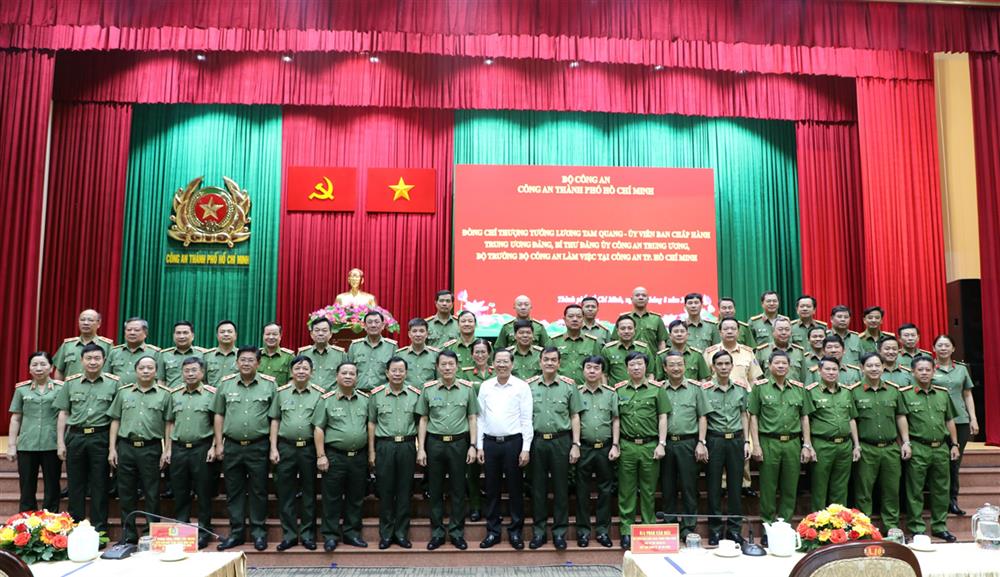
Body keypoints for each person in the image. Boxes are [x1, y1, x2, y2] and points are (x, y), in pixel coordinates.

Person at [213, 346, 277, 551]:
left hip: (258, 446)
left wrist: (273, 447)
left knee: (259, 490)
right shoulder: (225, 384)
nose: (246, 363)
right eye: (243, 360)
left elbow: (274, 417)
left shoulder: (269, 385)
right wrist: (218, 443)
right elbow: (218, 415)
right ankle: (237, 533)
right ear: (237, 362)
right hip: (232, 445)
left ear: (258, 363)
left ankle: (259, 532)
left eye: (251, 360)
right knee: (234, 491)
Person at [416, 350, 479, 550]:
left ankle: (456, 532)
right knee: (435, 490)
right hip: (434, 444)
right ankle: (437, 533)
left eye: (451, 364)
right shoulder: (429, 389)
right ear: (437, 367)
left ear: (457, 366)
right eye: (443, 364)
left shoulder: (467, 389)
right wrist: (421, 449)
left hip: (459, 444)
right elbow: (423, 419)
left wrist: (472, 445)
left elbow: (472, 418)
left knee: (458, 489)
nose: (447, 368)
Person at [54, 343, 117, 535]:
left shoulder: (114, 383)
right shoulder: (70, 383)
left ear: (104, 361)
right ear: (81, 360)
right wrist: (60, 442)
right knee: (75, 483)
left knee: (100, 483)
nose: (93, 362)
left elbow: (117, 417)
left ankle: (99, 529)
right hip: (76, 436)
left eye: (97, 358)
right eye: (88, 358)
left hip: (101, 437)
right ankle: (75, 527)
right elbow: (63, 413)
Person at [107, 355, 171, 544]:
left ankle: (152, 533)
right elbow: (115, 420)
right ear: (136, 371)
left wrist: (167, 449)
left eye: (149, 368)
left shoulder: (164, 394)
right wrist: (112, 448)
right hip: (126, 447)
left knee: (151, 493)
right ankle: (129, 533)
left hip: (151, 448)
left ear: (155, 371)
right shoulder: (124, 393)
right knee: (126, 492)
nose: (145, 371)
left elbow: (169, 423)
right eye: (142, 368)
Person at [749, 350, 814, 532]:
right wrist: (756, 444)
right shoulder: (760, 388)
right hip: (769, 441)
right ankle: (767, 527)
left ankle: (784, 526)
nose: (780, 366)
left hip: (793, 443)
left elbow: (804, 418)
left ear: (789, 366)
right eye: (777, 363)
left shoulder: (798, 389)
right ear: (769, 366)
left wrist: (806, 444)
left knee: (790, 487)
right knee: (768, 487)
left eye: (784, 363)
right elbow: (753, 416)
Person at [476, 348, 532, 550]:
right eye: (498, 361)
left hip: (513, 443)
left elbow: (526, 419)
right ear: (493, 364)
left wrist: (525, 448)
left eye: (505, 361)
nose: (501, 365)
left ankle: (516, 532)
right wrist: (479, 446)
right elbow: (480, 418)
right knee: (491, 489)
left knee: (516, 489)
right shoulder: (485, 386)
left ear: (512, 364)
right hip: (490, 443)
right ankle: (493, 532)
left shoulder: (521, 386)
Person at [527, 347, 582, 550]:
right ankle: (539, 532)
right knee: (538, 489)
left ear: (559, 363)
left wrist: (575, 444)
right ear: (540, 362)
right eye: (546, 360)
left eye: (553, 360)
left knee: (561, 489)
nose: (549, 363)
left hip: (561, 441)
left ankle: (559, 533)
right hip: (537, 441)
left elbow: (575, 415)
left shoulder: (569, 386)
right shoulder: (529, 386)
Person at [269, 355, 325, 551]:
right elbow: (275, 420)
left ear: (312, 372)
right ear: (291, 372)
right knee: (286, 493)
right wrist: (274, 447)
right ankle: (290, 535)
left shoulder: (319, 394)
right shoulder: (281, 393)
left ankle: (308, 535)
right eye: (297, 368)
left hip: (309, 448)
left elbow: (320, 426)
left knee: (309, 493)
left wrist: (320, 454)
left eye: (305, 368)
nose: (301, 372)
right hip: (286, 447)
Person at [615, 351, 670, 550]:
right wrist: (616, 444)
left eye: (639, 364)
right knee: (626, 491)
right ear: (626, 367)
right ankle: (626, 531)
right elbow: (617, 419)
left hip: (650, 446)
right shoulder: (619, 390)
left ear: (646, 366)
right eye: (632, 365)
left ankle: (648, 529)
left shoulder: (657, 390)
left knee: (648, 490)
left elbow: (663, 417)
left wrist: (661, 443)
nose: (636, 368)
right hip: (627, 446)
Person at [313, 362, 370, 552]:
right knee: (332, 497)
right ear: (337, 376)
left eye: (351, 373)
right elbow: (319, 428)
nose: (348, 376)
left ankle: (352, 533)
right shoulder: (326, 400)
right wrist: (321, 455)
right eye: (344, 373)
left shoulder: (365, 400)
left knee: (356, 497)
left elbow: (370, 427)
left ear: (356, 377)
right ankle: (330, 535)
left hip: (359, 457)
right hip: (335, 456)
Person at [851, 352, 910, 532]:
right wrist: (856, 446)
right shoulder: (853, 391)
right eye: (869, 365)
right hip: (866, 448)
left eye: (877, 365)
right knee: (864, 492)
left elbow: (900, 416)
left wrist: (906, 442)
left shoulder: (893, 390)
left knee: (891, 490)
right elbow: (852, 419)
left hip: (891, 448)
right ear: (862, 368)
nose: (874, 369)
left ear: (883, 367)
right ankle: (863, 528)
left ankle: (891, 527)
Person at [904, 355, 960, 542]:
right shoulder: (905, 394)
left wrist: (954, 444)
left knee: (941, 489)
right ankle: (917, 527)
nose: (925, 373)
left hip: (941, 448)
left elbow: (949, 420)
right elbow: (900, 421)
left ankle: (939, 526)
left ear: (934, 371)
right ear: (913, 372)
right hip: (918, 447)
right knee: (915, 490)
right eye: (920, 369)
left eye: (928, 369)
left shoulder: (942, 394)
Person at [367, 357, 422, 550]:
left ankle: (401, 533)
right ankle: (386, 534)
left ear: (406, 373)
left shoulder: (415, 394)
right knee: (386, 490)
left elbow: (419, 423)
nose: (397, 374)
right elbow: (371, 423)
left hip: (407, 446)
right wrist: (372, 451)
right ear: (387, 373)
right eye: (394, 370)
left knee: (405, 490)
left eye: (401, 370)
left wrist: (419, 448)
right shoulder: (376, 395)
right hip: (385, 446)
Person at [165, 357, 217, 549]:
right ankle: (182, 528)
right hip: (178, 448)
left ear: (202, 373)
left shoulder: (212, 394)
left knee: (203, 492)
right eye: (186, 370)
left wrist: (214, 446)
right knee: (180, 491)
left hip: (202, 448)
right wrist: (167, 448)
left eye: (194, 370)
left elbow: (217, 423)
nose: (190, 374)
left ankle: (204, 530)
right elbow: (169, 422)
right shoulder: (174, 394)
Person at [701, 350, 751, 545]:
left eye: (726, 364)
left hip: (736, 440)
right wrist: (702, 442)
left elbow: (744, 415)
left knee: (735, 487)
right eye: (719, 364)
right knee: (713, 487)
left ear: (732, 366)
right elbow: (703, 417)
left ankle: (734, 529)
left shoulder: (740, 388)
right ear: (713, 367)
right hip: (715, 440)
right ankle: (714, 530)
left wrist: (747, 441)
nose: (723, 367)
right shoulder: (705, 389)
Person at [659, 351, 708, 542]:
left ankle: (688, 527)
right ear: (664, 368)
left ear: (685, 365)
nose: (676, 368)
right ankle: (670, 525)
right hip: (667, 443)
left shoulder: (696, 388)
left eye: (679, 364)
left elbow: (702, 416)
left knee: (689, 486)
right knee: (667, 486)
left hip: (689, 442)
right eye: (671, 365)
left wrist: (701, 442)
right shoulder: (659, 389)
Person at [7, 352, 62, 513]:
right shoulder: (22, 390)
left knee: (52, 485)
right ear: (29, 368)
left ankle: (51, 521)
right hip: (26, 444)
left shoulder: (61, 388)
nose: (39, 368)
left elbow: (64, 416)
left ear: (51, 368)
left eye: (43, 364)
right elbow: (15, 418)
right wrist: (11, 445)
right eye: (35, 365)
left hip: (51, 443)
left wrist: (61, 443)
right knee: (26, 486)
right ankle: (27, 523)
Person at [931, 334, 979, 516]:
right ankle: (937, 501)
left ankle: (952, 500)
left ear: (953, 349)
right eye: (940, 345)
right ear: (933, 348)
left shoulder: (961, 369)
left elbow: (967, 394)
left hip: (960, 421)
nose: (943, 348)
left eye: (947, 345)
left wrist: (973, 418)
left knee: (954, 463)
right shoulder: (928, 368)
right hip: (937, 421)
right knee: (939, 463)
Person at [574, 356, 619, 548]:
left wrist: (616, 445)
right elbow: (573, 418)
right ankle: (583, 532)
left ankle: (602, 532)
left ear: (602, 372)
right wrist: (575, 444)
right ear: (583, 370)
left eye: (596, 368)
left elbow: (616, 419)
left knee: (605, 491)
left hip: (605, 448)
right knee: (582, 492)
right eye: (589, 367)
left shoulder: (610, 394)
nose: (592, 371)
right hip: (583, 447)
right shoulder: (575, 392)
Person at [806, 356, 860, 512]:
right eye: (827, 369)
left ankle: (837, 524)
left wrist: (856, 445)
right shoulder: (811, 392)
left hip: (844, 445)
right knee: (819, 487)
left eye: (834, 369)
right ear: (820, 371)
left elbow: (851, 419)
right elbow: (806, 420)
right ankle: (818, 524)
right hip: (822, 444)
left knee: (840, 487)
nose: (831, 372)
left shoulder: (846, 392)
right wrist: (808, 445)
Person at [460, 338, 492, 521]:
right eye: (476, 352)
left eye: (483, 351)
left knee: (491, 471)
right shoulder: (463, 374)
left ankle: (490, 507)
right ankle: (475, 507)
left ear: (489, 354)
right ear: (471, 354)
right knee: (472, 471)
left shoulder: (497, 373)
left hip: (492, 427)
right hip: (470, 426)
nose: (480, 355)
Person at [53, 309, 113, 380]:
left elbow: (113, 371)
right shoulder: (68, 345)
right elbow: (59, 370)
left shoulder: (107, 345)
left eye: (90, 320)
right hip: (71, 389)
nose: (86, 323)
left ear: (99, 324)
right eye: (82, 320)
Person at [348, 311, 398, 392]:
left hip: (382, 395)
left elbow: (396, 373)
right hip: (358, 394)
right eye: (370, 322)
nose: (373, 325)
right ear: (364, 325)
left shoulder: (391, 347)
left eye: (377, 322)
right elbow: (348, 371)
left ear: (382, 326)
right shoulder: (355, 346)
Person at [703, 318, 764, 385]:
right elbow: (705, 379)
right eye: (726, 329)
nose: (729, 331)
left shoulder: (748, 353)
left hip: (743, 394)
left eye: (733, 329)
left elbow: (753, 380)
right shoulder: (709, 353)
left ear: (738, 332)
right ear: (720, 333)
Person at [552, 304, 601, 386]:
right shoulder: (554, 341)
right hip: (560, 388)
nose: (575, 319)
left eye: (579, 316)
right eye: (570, 316)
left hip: (585, 390)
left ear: (583, 319)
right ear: (564, 319)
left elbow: (598, 368)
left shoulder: (592, 342)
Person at [297, 317, 348, 390]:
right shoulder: (303, 353)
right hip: (309, 397)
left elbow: (345, 378)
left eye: (324, 330)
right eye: (317, 330)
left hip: (332, 398)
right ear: (311, 334)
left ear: (330, 334)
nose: (320, 333)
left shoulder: (340, 354)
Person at [107, 317, 160, 385]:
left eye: (136, 330)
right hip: (118, 393)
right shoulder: (114, 352)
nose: (132, 333)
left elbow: (160, 379)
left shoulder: (155, 353)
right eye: (129, 330)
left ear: (145, 333)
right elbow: (106, 376)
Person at [602, 316, 653, 385]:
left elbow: (650, 373)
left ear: (635, 330)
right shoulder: (608, 350)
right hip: (616, 393)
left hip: (640, 392)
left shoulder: (644, 349)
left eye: (630, 328)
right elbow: (604, 374)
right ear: (617, 331)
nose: (626, 331)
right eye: (623, 329)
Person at [158, 321, 207, 388]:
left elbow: (206, 380)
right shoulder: (164, 355)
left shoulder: (203, 354)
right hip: (172, 396)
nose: (181, 336)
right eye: (178, 333)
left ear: (192, 336)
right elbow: (161, 380)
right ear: (173, 335)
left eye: (185, 333)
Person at [755, 317, 805, 382]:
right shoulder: (762, 351)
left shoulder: (798, 352)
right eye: (780, 329)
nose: (784, 332)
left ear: (791, 332)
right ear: (773, 332)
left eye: (787, 329)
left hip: (794, 391)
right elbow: (757, 379)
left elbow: (804, 378)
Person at [397, 318, 440, 389]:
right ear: (409, 334)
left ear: (427, 334)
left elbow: (439, 379)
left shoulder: (435, 355)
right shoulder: (400, 355)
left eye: (421, 331)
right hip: (407, 397)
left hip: (428, 397)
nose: (418, 334)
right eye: (414, 331)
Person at [258, 322, 294, 387]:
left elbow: (292, 380)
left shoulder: (289, 357)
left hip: (280, 395)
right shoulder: (255, 355)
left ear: (280, 336)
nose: (271, 337)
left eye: (275, 334)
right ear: (263, 336)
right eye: (267, 334)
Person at [204, 320, 239, 386]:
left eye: (230, 332)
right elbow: (202, 380)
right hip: (212, 395)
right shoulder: (207, 356)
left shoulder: (241, 356)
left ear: (235, 335)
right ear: (217, 335)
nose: (226, 334)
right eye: (222, 332)